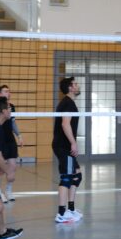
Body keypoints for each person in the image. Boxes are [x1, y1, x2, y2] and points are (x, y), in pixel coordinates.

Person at [52, 77, 84, 223]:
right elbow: (65, 124)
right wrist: (73, 143)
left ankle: (70, 209)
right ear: (70, 88)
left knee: (76, 175)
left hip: (63, 145)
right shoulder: (67, 103)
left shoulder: (69, 102)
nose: (78, 86)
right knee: (66, 177)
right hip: (63, 145)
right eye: (75, 84)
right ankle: (61, 213)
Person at [0, 97, 22, 239]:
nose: (10, 110)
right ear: (3, 111)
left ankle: (2, 232)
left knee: (0, 206)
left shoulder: (1, 128)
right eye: (8, 108)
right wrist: (8, 170)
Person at [0, 85, 23, 203]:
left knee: (13, 166)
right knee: (1, 168)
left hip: (10, 140)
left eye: (9, 91)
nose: (9, 93)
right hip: (0, 139)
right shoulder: (0, 106)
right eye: (6, 91)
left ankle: (8, 190)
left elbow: (13, 123)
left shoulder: (11, 107)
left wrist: (19, 136)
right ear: (0, 94)